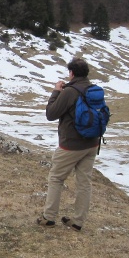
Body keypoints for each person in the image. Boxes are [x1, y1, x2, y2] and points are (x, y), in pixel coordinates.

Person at [37, 58, 100, 232]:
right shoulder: (93, 89)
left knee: (56, 178)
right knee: (84, 182)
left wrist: (56, 92)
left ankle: (49, 217)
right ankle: (78, 221)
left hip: (71, 145)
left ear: (71, 73)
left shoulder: (69, 91)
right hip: (92, 143)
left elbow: (51, 114)